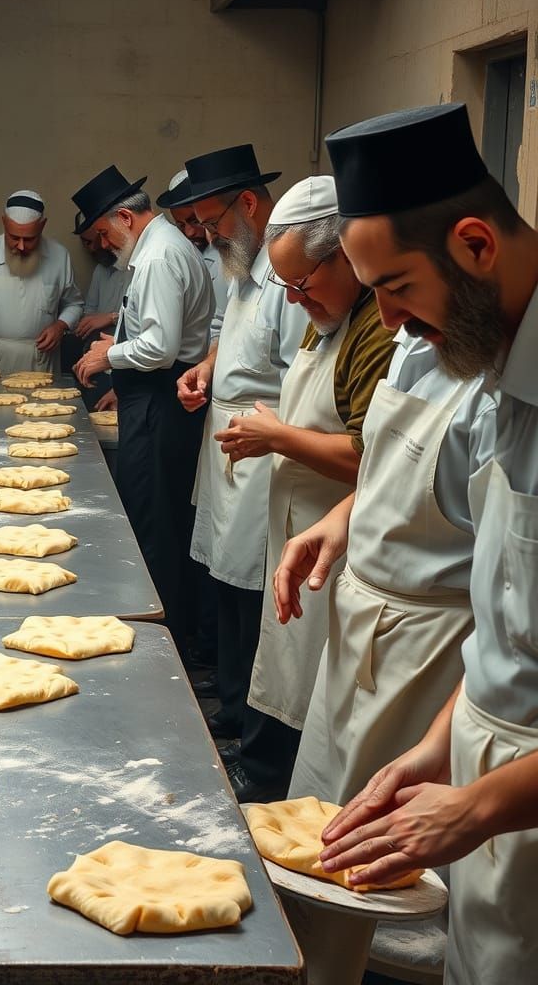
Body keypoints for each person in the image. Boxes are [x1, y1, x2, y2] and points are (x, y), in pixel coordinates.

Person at [276, 103, 538, 985]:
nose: (386, 324)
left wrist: (479, 803)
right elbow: (512, 625)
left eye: (396, 290)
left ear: (473, 245)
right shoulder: (497, 369)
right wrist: (445, 741)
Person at [220, 175, 395, 800]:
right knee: (287, 667)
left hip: (338, 549)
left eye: (303, 284)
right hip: (302, 525)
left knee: (311, 682)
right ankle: (270, 776)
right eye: (286, 286)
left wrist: (280, 438)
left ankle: (279, 787)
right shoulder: (327, 313)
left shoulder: (377, 327)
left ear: (346, 254)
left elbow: (378, 458)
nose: (294, 300)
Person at [176, 145, 307, 780]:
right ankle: (231, 707)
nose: (205, 234)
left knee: (253, 587)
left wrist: (259, 427)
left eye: (210, 221)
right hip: (226, 435)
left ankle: (256, 726)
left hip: (263, 449)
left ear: (248, 204)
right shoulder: (240, 265)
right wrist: (204, 369)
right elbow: (230, 336)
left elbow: (295, 380)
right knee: (224, 580)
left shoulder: (288, 279)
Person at [72, 165, 215, 653]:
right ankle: (172, 626)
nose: (106, 244)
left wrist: (107, 354)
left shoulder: (156, 258)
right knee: (163, 517)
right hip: (158, 400)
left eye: (104, 233)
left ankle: (160, 639)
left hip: (160, 403)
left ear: (125, 217)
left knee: (155, 522)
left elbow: (161, 347)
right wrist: (122, 340)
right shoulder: (164, 248)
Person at [0, 190, 84, 373]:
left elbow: (75, 304)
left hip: (40, 359)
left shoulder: (59, 256)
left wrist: (60, 326)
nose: (20, 246)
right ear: (4, 222)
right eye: (13, 237)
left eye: (29, 240)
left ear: (42, 226)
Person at [63, 217, 129, 406]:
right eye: (86, 242)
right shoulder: (101, 270)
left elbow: (140, 321)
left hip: (125, 363)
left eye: (97, 239)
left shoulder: (137, 268)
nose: (93, 248)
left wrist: (111, 318)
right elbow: (90, 311)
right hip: (97, 364)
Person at [158, 169, 229, 317]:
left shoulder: (232, 255)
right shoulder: (177, 258)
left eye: (195, 221)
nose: (189, 232)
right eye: (181, 225)